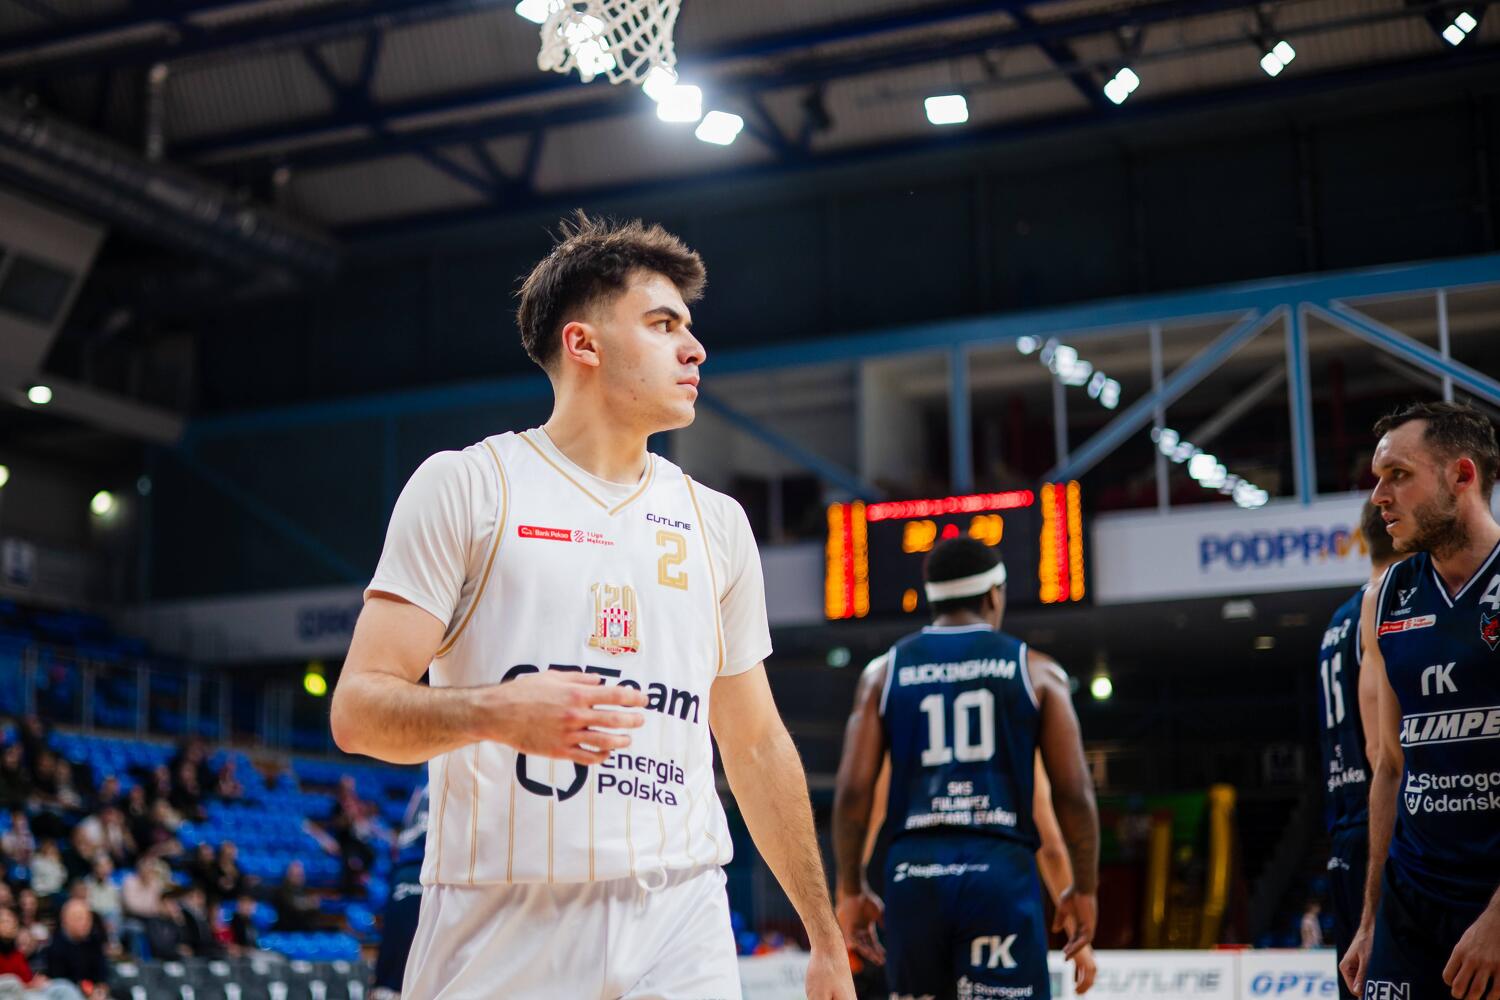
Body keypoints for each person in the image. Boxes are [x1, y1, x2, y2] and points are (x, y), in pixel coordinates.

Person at [330, 213, 854, 1000]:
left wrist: (823, 933)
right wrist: (494, 712)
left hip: (683, 915)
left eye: (688, 328)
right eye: (663, 324)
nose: (695, 349)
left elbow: (754, 742)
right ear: (584, 344)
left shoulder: (717, 522)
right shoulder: (468, 486)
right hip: (505, 920)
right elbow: (358, 712)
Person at [833, 537, 1099, 1000]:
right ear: (994, 595)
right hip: (998, 873)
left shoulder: (883, 674)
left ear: (932, 597)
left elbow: (855, 794)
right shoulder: (1037, 672)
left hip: (914, 875)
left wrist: (850, 888)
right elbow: (1073, 795)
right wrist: (1085, 889)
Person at [1342, 402, 1500, 1000]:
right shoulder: (1384, 598)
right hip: (1409, 903)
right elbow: (1388, 764)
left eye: (1399, 475)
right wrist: (1370, 919)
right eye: (1378, 478)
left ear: (1462, 475)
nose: (1379, 496)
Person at [1316, 501, 1400, 996]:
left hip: (1343, 822)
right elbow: (1380, 748)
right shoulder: (1388, 604)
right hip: (1379, 822)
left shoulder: (1336, 622)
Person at [371, 784, 427, 1000]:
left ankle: (383, 988)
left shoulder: (420, 790)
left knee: (399, 937)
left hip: (406, 870)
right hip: (430, 870)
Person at [44, 899, 110, 997]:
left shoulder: (94, 941)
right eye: (79, 918)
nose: (85, 923)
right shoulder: (55, 947)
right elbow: (60, 983)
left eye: (88, 918)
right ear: (65, 921)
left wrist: (101, 988)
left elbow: (102, 974)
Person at [270, 860, 319, 933]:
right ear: (288, 875)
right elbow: (292, 905)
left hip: (304, 931)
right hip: (285, 931)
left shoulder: (305, 891)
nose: (299, 878)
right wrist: (309, 903)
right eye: (296, 875)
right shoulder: (281, 892)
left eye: (301, 875)